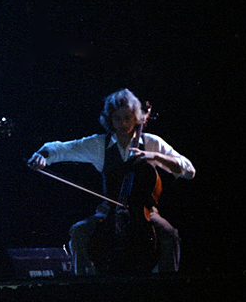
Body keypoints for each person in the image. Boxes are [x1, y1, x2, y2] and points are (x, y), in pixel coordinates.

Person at [28, 88, 195, 275]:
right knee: (79, 232)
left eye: (128, 118)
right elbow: (61, 148)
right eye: (117, 118)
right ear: (110, 119)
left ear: (137, 117)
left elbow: (189, 170)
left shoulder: (151, 143)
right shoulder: (100, 145)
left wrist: (155, 156)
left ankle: (166, 285)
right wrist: (42, 156)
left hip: (146, 212)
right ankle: (83, 283)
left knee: (169, 235)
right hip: (108, 211)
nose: (123, 123)